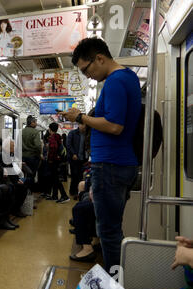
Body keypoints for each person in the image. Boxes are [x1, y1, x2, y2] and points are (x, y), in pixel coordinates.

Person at [61, 37, 141, 274]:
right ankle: (118, 279)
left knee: (107, 231)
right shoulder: (127, 78)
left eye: (87, 69)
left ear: (100, 58)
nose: (87, 76)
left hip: (110, 165)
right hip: (118, 163)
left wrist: (80, 117)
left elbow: (115, 126)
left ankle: (113, 285)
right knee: (111, 229)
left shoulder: (115, 82)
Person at [47, 122, 69, 203]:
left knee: (56, 179)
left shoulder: (52, 137)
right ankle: (55, 195)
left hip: (54, 161)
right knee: (54, 178)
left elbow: (53, 149)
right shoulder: (58, 136)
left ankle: (64, 196)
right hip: (58, 160)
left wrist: (50, 159)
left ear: (50, 129)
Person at [67, 122, 88, 198]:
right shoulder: (72, 133)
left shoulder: (86, 134)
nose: (83, 126)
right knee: (74, 175)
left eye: (85, 125)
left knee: (80, 176)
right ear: (79, 125)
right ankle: (73, 191)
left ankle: (79, 192)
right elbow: (68, 145)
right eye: (82, 124)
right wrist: (73, 154)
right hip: (74, 159)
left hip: (83, 159)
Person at [21, 115, 42, 180]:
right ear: (32, 123)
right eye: (35, 122)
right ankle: (30, 188)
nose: (36, 124)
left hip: (22, 157)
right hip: (32, 157)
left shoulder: (21, 131)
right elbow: (38, 145)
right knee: (31, 174)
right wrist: (39, 155)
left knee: (23, 174)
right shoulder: (35, 132)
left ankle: (24, 188)